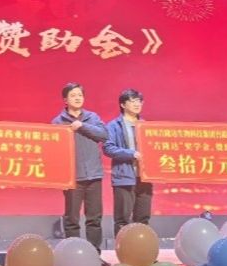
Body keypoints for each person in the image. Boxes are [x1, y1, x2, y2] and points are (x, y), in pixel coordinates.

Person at [52, 82, 108, 251]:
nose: (77, 98)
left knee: (94, 218)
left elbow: (104, 135)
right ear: (65, 100)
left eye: (80, 95)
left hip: (94, 175)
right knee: (72, 219)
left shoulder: (93, 117)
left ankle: (94, 254)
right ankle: (73, 253)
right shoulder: (58, 122)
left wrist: (82, 126)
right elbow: (54, 150)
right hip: (72, 178)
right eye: (73, 95)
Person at [104, 89, 153, 235]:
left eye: (139, 101)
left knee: (143, 218)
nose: (137, 104)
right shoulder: (114, 126)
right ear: (123, 104)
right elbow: (108, 148)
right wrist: (131, 154)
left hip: (144, 178)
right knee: (122, 220)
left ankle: (142, 247)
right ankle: (122, 248)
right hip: (124, 177)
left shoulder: (145, 125)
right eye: (132, 101)